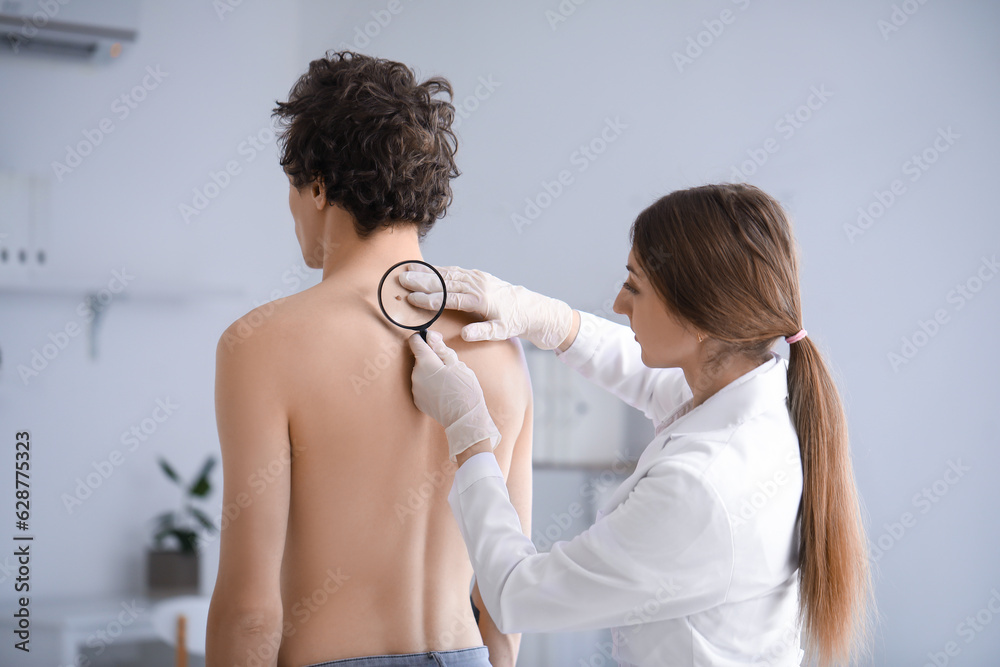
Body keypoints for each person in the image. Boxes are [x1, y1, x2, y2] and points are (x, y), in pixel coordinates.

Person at [402, 183, 874, 667]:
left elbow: (515, 593)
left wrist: (469, 433)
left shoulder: (704, 488)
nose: (618, 304)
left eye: (634, 286)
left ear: (701, 321)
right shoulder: (759, 396)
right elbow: (653, 381)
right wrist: (545, 317)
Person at [205, 51, 532, 667]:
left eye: (295, 189)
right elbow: (505, 593)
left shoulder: (261, 343)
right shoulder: (499, 341)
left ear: (319, 185)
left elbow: (251, 610)